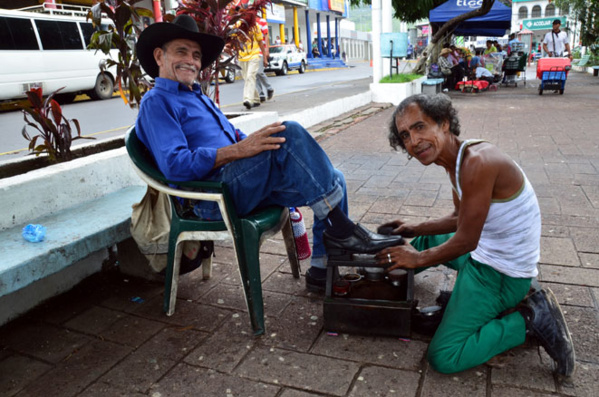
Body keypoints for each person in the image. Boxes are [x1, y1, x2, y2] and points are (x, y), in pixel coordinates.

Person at [134, 15, 404, 292]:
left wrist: (252, 141)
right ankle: (342, 228)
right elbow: (175, 166)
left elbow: (233, 138)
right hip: (211, 198)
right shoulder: (157, 102)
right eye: (182, 52)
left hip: (239, 183)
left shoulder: (197, 96)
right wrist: (240, 150)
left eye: (196, 55)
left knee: (335, 177)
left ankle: (321, 271)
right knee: (291, 132)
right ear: (159, 56)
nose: (191, 61)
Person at [376, 94, 575, 379]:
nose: (413, 141)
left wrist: (417, 258)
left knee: (444, 356)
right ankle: (394, 269)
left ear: (443, 123)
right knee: (422, 242)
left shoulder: (477, 164)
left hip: (500, 275)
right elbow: (461, 218)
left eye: (420, 127)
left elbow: (466, 239)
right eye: (405, 135)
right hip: (488, 252)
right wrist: (415, 228)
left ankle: (530, 321)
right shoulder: (457, 159)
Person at [255, 16, 274, 103]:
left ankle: (269, 88)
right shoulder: (248, 21)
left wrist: (267, 50)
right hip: (252, 51)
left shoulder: (262, 21)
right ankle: (261, 94)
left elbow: (266, 36)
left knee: (259, 72)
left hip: (261, 50)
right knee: (254, 74)